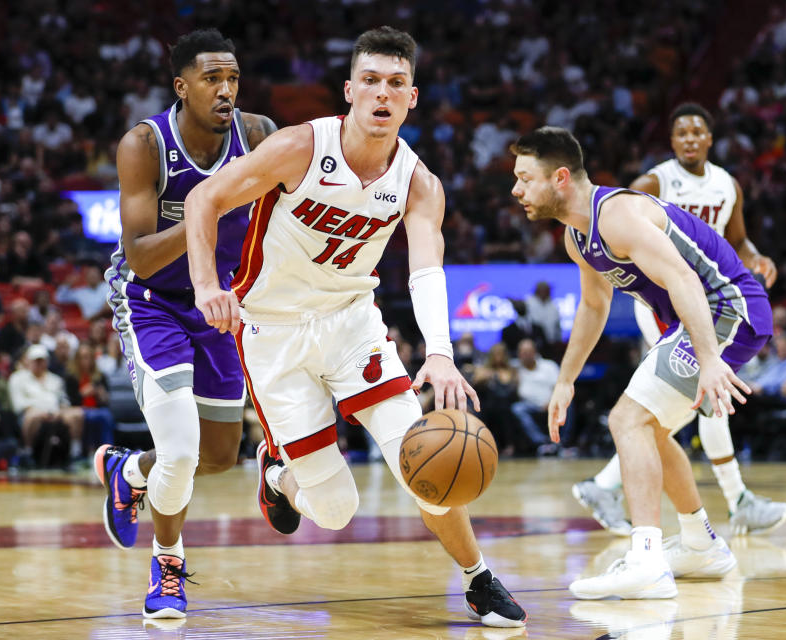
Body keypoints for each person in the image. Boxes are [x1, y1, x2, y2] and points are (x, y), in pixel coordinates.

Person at [185, 27, 526, 628]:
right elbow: (204, 201)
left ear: (411, 97)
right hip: (273, 331)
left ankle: (478, 580)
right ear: (349, 90)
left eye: (396, 83)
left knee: (423, 463)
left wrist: (440, 353)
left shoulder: (419, 184)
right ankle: (279, 475)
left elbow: (427, 271)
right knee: (336, 510)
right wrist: (208, 287)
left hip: (353, 328)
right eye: (370, 81)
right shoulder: (298, 148)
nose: (382, 94)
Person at [510, 126, 773, 599]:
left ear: (561, 178)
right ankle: (700, 545)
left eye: (526, 178)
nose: (516, 190)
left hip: (728, 308)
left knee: (627, 419)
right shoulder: (577, 236)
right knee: (648, 428)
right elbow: (594, 307)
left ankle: (648, 561)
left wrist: (710, 357)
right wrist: (565, 380)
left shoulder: (619, 215)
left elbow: (685, 280)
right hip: (694, 318)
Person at [93, 29, 277, 619]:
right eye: (212, 80)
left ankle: (128, 469)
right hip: (152, 302)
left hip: (219, 304)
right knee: (181, 449)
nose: (226, 91)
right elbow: (142, 254)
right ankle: (167, 566)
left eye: (233, 80)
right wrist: (208, 207)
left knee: (218, 456)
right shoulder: (144, 144)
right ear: (182, 86)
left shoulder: (258, 136)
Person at [572, 103, 786, 537]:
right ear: (672, 142)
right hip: (666, 303)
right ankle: (735, 502)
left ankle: (605, 486)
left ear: (710, 139)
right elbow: (617, 224)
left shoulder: (727, 186)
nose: (690, 139)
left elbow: (736, 239)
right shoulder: (654, 182)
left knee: (694, 403)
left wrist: (756, 257)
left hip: (709, 298)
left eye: (697, 132)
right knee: (699, 397)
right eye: (681, 134)